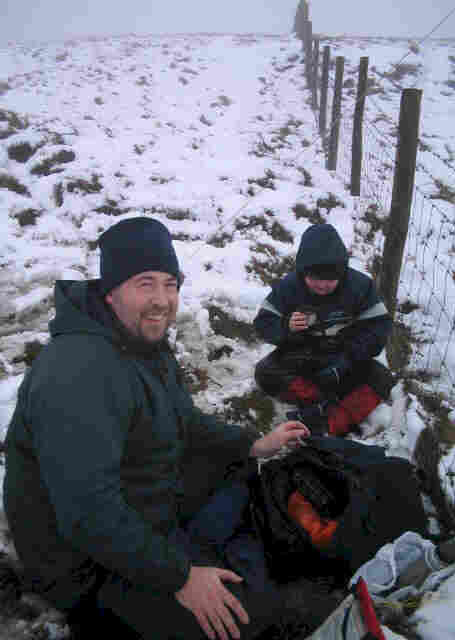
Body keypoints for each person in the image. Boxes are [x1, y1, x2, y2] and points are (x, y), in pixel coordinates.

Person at [3, 217, 314, 640]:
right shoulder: (78, 372)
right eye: (145, 284)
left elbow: (182, 419)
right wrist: (180, 575)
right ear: (111, 292)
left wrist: (252, 444)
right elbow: (88, 516)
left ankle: (203, 555)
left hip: (141, 505)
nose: (162, 300)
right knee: (247, 622)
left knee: (240, 470)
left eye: (170, 284)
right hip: (85, 566)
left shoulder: (141, 341)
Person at [253, 223, 395, 436]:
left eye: (330, 280)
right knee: (265, 372)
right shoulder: (289, 287)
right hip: (303, 355)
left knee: (382, 378)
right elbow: (263, 322)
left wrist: (348, 358)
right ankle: (320, 401)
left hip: (345, 357)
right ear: (303, 272)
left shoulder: (360, 287)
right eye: (315, 279)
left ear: (342, 273)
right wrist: (286, 327)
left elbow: (380, 326)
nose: (322, 286)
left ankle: (329, 422)